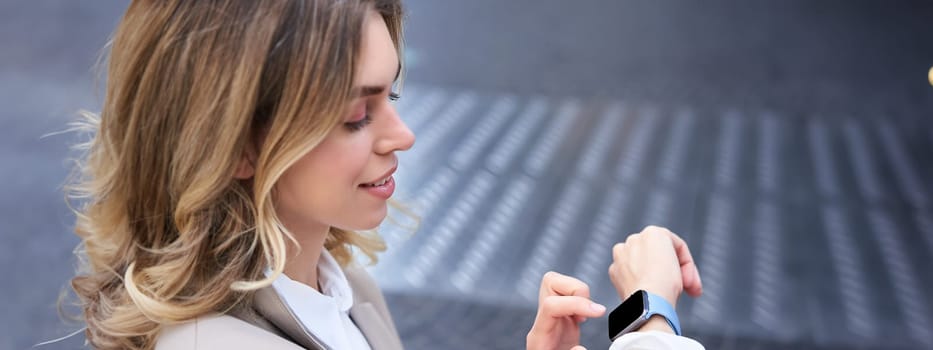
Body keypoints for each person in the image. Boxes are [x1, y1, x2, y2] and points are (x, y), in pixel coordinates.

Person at [66, 1, 704, 349]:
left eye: (390, 99)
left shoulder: (346, 290)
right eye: (354, 116)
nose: (403, 136)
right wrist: (651, 319)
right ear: (235, 145)